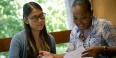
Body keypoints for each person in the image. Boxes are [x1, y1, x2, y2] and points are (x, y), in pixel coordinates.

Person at [39, 0, 116, 58]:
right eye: (75, 18)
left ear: (91, 13)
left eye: (83, 17)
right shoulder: (75, 31)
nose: (79, 22)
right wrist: (52, 55)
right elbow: (70, 54)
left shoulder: (104, 25)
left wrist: (102, 49)